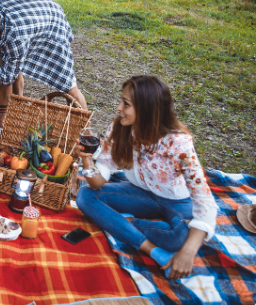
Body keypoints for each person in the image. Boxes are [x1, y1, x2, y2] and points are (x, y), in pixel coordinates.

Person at [76, 75, 217, 280]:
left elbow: (204, 200)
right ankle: (153, 250)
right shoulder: (120, 129)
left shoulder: (179, 144)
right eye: (121, 101)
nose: (118, 108)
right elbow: (97, 182)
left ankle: (119, 222)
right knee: (84, 196)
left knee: (181, 237)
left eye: (126, 104)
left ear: (147, 109)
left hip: (177, 201)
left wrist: (187, 252)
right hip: (140, 194)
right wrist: (86, 160)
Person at [0, 0, 88, 143]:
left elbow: (6, 77)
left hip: (52, 22)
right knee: (7, 63)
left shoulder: (15, 37)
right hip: (27, 11)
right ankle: (2, 124)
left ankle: (86, 136)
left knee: (68, 83)